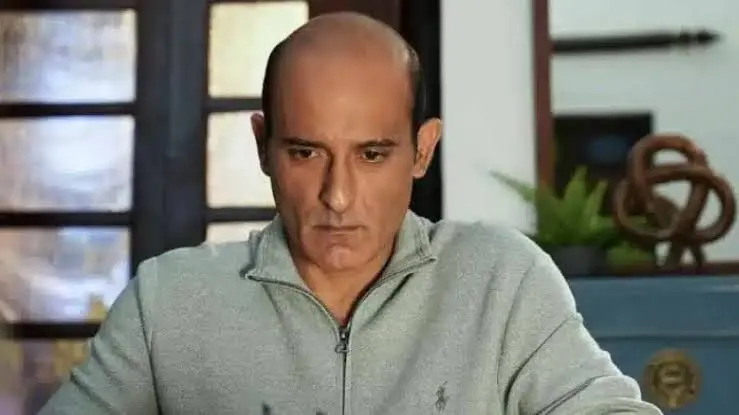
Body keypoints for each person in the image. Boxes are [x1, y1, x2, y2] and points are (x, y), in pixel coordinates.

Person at [40, 12, 662, 415]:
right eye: (306, 152)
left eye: (371, 154)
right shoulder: (169, 300)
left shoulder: (500, 279)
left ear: (422, 151)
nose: (337, 195)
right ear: (263, 146)